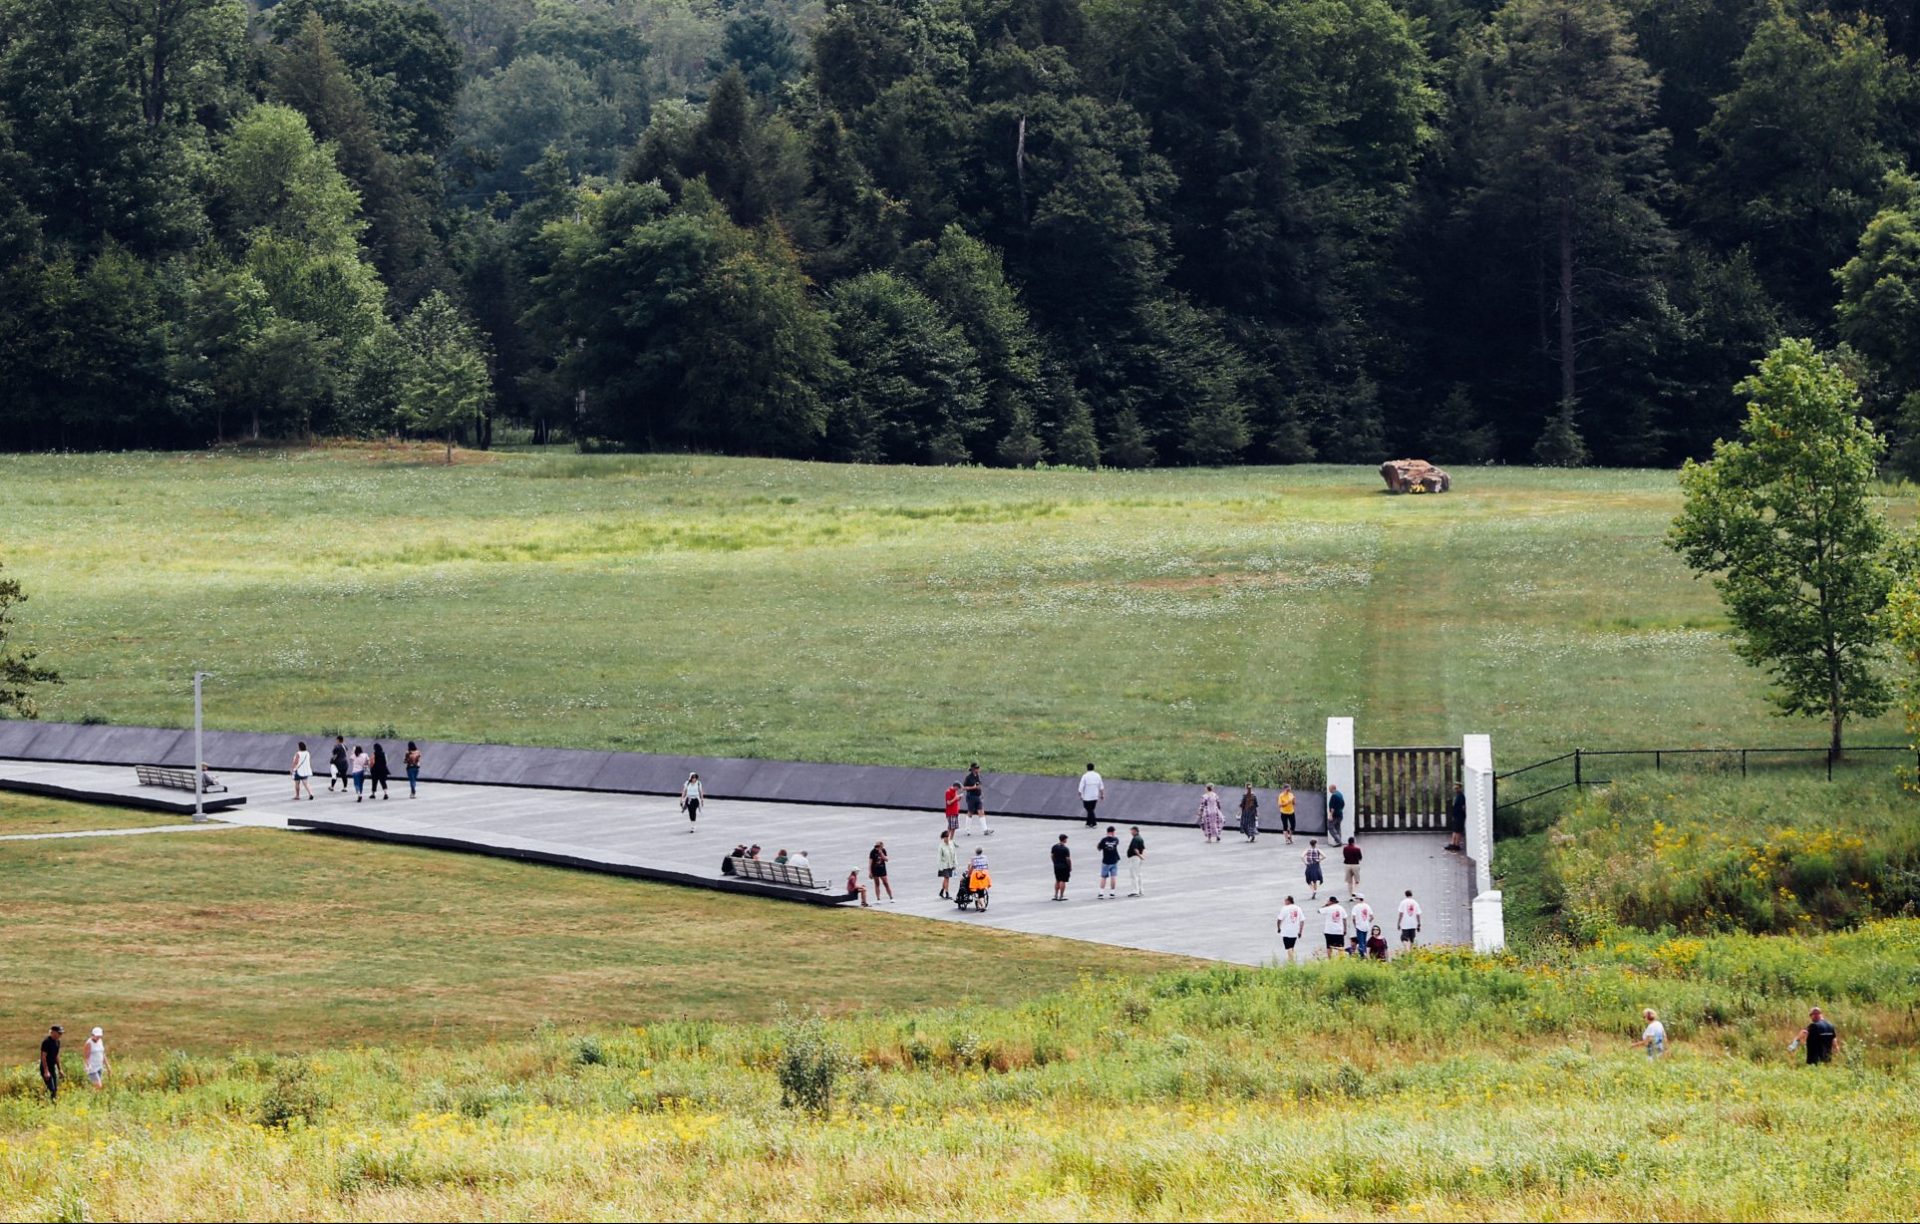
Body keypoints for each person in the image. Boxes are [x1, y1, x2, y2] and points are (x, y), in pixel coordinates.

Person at [1276, 895, 1306, 964]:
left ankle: (1292, 962)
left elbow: (1279, 919)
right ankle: (1290, 960)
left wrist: (1278, 928)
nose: (1284, 902)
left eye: (1285, 900)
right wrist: (1300, 932)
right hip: (1295, 931)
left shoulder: (1284, 908)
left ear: (1288, 901)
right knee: (1292, 947)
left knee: (1288, 948)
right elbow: (1302, 921)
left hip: (1286, 932)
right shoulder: (1298, 908)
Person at [964, 761, 991, 835]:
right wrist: (973, 787)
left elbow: (979, 786)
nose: (978, 769)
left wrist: (981, 794)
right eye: (976, 768)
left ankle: (985, 830)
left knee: (981, 812)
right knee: (970, 812)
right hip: (971, 796)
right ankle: (967, 830)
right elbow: (964, 787)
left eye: (978, 768)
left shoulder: (978, 776)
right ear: (973, 769)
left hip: (977, 796)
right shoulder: (968, 777)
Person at [1096, 826, 1122, 897]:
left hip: (1106, 861)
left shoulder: (1104, 840)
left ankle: (1101, 893)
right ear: (1112, 832)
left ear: (1107, 832)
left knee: (1103, 877)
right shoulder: (1116, 839)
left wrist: (1099, 844)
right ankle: (1112, 892)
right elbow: (1116, 844)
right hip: (1114, 860)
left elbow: (1099, 848)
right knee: (1113, 876)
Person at [39, 1024, 62, 1101]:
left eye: (61, 1033)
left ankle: (52, 1104)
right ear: (53, 1032)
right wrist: (46, 1071)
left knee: (55, 1088)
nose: (60, 1035)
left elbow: (56, 1056)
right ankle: (45, 1101)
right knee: (51, 1088)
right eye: (59, 1033)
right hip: (45, 1067)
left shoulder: (57, 1042)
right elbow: (43, 1057)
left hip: (52, 1067)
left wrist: (60, 1069)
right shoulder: (46, 1042)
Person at [1125, 826, 1147, 897]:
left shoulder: (1135, 839)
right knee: (1139, 874)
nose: (1131, 832)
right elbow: (1143, 848)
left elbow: (1135, 849)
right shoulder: (1140, 838)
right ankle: (1141, 890)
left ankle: (1135, 891)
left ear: (1135, 831)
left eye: (1132, 831)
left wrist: (1139, 856)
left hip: (1134, 858)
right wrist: (1142, 856)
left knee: (1133, 874)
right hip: (1139, 858)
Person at [937, 830, 958, 898]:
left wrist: (955, 863)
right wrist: (939, 866)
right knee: (947, 878)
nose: (947, 838)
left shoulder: (951, 843)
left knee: (946, 879)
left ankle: (942, 891)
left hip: (950, 864)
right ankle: (947, 893)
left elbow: (954, 854)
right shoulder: (941, 846)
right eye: (945, 837)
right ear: (943, 838)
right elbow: (939, 857)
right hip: (944, 865)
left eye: (948, 837)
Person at [1447, 781, 1467, 852]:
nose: (1456, 790)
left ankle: (1456, 844)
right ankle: (1453, 844)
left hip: (1459, 815)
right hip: (1457, 815)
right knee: (1455, 829)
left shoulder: (1461, 796)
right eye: (1455, 788)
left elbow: (1463, 806)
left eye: (1457, 788)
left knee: (1458, 830)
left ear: (1460, 788)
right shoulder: (1458, 796)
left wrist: (1462, 814)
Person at [1051, 833, 1072, 900]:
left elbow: (1052, 855)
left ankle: (1055, 895)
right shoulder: (1065, 849)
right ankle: (1061, 896)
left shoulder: (1054, 847)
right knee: (1063, 881)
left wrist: (1054, 862)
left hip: (1056, 866)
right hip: (1064, 866)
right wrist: (1070, 866)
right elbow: (1068, 859)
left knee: (1057, 880)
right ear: (1064, 839)